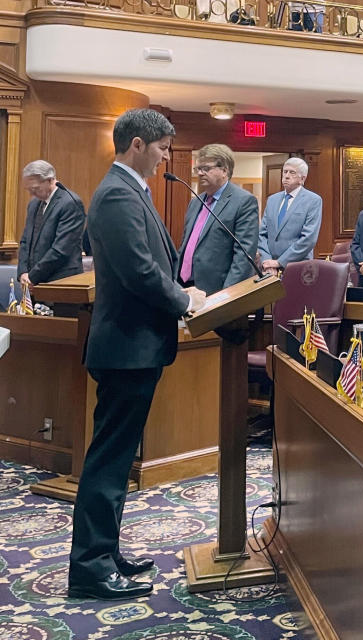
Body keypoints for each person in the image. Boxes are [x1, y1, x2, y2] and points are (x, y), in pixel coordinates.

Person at [69, 108, 206, 601]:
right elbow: (140, 271)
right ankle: (89, 567)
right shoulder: (115, 194)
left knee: (117, 458)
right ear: (136, 146)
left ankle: (105, 552)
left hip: (136, 346)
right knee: (108, 461)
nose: (166, 156)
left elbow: (152, 263)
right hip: (126, 347)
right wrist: (185, 300)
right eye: (162, 148)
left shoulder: (129, 190)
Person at [177, 144, 259, 294]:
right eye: (197, 169)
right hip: (184, 288)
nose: (200, 173)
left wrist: (226, 296)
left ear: (224, 170)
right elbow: (186, 246)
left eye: (206, 169)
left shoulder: (243, 201)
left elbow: (243, 257)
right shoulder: (196, 202)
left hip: (217, 292)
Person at [17, 160, 84, 288]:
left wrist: (32, 276)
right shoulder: (34, 203)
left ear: (50, 180)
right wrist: (23, 273)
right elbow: (25, 242)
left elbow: (61, 250)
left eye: (35, 188)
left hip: (62, 283)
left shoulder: (70, 203)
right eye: (28, 189)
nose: (31, 194)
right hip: (35, 282)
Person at [258, 157, 323, 275]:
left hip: (298, 268)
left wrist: (279, 262)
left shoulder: (313, 200)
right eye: (285, 171)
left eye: (292, 172)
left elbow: (308, 239)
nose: (286, 176)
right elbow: (262, 234)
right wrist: (267, 261)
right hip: (269, 269)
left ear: (302, 178)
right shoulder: (272, 199)